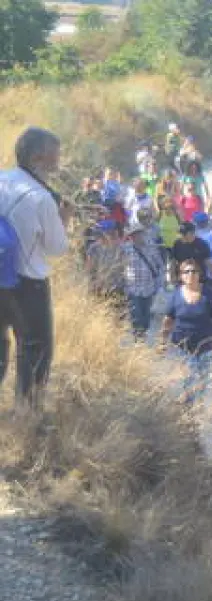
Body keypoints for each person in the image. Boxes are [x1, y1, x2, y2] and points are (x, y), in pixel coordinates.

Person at [0, 127, 71, 405]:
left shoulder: (2, 179)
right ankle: (26, 412)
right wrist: (64, 219)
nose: (58, 160)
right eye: (55, 154)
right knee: (35, 350)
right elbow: (56, 247)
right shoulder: (41, 198)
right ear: (37, 157)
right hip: (27, 284)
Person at [159, 259, 212, 407]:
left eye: (194, 271)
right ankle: (189, 408)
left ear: (199, 274)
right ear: (181, 276)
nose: (190, 274)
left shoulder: (209, 294)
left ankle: (197, 407)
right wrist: (162, 341)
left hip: (204, 345)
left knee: (202, 380)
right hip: (182, 345)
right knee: (189, 376)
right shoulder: (175, 295)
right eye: (186, 271)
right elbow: (168, 320)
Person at [121, 219, 165, 341]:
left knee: (146, 318)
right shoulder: (125, 249)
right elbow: (120, 265)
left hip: (148, 288)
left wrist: (160, 283)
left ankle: (142, 334)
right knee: (136, 316)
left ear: (142, 233)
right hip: (133, 288)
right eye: (133, 235)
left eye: (138, 233)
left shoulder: (151, 247)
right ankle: (138, 339)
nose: (136, 237)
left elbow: (160, 265)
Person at [84, 219, 126, 307]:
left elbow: (126, 268)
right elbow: (89, 269)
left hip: (118, 289)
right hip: (101, 288)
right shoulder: (94, 248)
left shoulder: (122, 248)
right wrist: (91, 285)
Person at [169, 221, 212, 286]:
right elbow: (173, 262)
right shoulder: (177, 244)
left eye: (183, 234)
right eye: (181, 234)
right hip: (182, 281)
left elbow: (209, 264)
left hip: (199, 282)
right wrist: (172, 276)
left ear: (191, 233)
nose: (181, 236)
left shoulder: (202, 244)